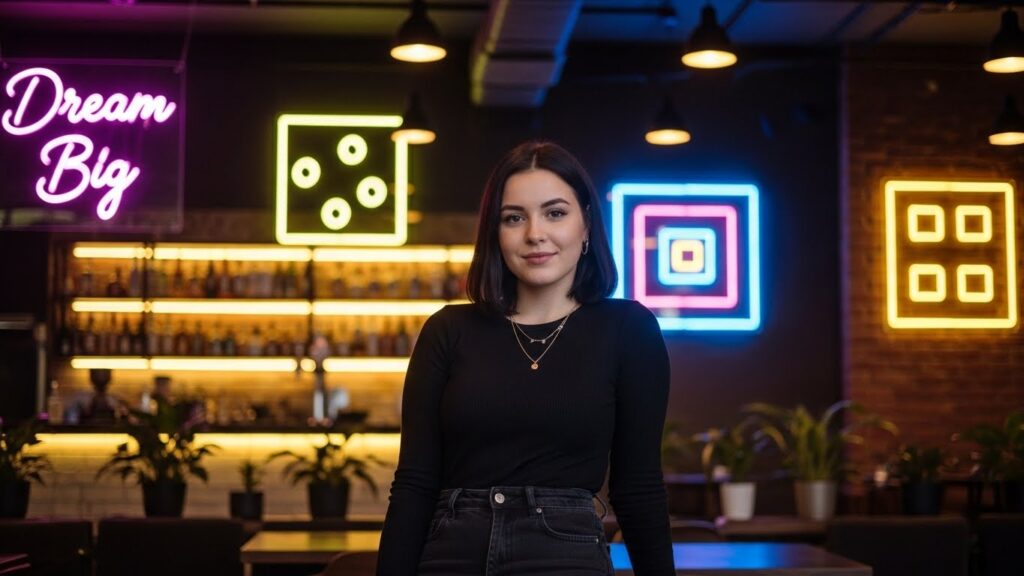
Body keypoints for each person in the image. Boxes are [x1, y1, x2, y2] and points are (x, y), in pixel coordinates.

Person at [376, 141, 673, 575]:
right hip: (452, 553)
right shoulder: (447, 331)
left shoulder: (628, 329)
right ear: (495, 233)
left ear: (586, 223)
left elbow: (638, 488)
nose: (535, 232)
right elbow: (415, 485)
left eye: (555, 213)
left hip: (566, 554)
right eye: (514, 217)